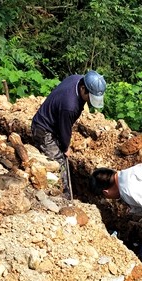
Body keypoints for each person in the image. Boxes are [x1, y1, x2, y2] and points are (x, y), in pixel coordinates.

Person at [31, 70, 106, 198]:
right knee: (59, 162)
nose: (89, 101)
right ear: (83, 89)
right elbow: (64, 129)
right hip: (43, 130)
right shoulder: (70, 106)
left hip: (52, 122)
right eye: (89, 97)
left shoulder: (77, 79)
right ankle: (63, 196)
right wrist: (65, 147)